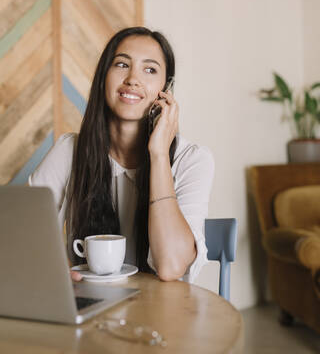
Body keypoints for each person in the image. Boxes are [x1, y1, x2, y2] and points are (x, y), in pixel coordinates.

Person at [29, 27, 214, 282]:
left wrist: (159, 154)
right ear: (104, 77)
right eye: (122, 64)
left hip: (165, 316)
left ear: (166, 88)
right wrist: (53, 268)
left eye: (150, 70)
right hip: (92, 311)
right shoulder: (69, 151)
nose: (133, 79)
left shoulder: (192, 160)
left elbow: (171, 267)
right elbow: (19, 231)